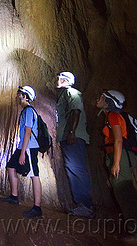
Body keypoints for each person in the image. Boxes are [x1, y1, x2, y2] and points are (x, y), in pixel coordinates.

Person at [97, 90, 137, 246]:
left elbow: (118, 140)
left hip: (121, 157)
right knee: (124, 194)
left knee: (124, 195)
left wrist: (116, 163)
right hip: (122, 157)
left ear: (108, 103)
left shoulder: (113, 116)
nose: (98, 99)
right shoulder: (111, 116)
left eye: (101, 98)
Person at [55, 71, 94, 218]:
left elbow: (76, 111)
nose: (56, 80)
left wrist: (72, 131)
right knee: (72, 169)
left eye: (59, 78)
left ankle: (86, 206)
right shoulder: (64, 95)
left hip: (74, 137)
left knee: (77, 169)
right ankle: (81, 204)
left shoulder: (72, 92)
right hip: (69, 137)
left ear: (65, 80)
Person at [0, 85, 43, 218]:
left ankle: (37, 207)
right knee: (10, 167)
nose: (17, 97)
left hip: (29, 147)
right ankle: (14, 197)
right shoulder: (25, 111)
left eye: (19, 95)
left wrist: (23, 152)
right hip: (22, 147)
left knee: (34, 174)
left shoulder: (29, 111)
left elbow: (28, 132)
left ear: (24, 96)